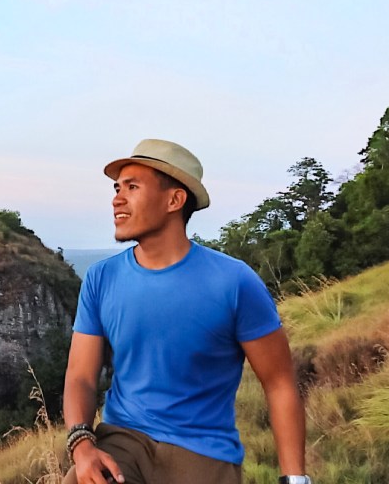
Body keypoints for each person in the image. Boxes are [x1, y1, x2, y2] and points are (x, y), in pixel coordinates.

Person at [62, 139, 309, 484]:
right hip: (124, 441)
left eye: (132, 187)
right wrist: (81, 444)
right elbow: (81, 376)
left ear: (174, 200)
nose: (117, 197)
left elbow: (280, 383)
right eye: (117, 187)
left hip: (202, 453)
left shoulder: (234, 282)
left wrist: (295, 480)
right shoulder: (101, 278)